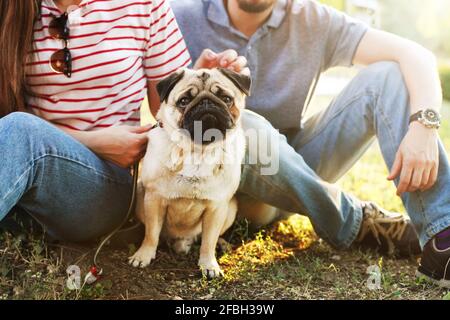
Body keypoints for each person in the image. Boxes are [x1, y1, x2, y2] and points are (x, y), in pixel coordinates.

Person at [171, 0, 450, 287]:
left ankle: (444, 239)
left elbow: (415, 54)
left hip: (296, 168)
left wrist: (424, 125)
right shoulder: (182, 17)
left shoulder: (312, 18)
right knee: (248, 127)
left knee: (387, 76)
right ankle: (355, 221)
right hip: (225, 192)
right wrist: (195, 83)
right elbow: (160, 118)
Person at [0, 1, 247, 241]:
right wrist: (92, 141)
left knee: (22, 131)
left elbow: (166, 112)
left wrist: (198, 86)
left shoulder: (145, 4)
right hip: (23, 166)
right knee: (20, 130)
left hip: (108, 182)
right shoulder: (12, 7)